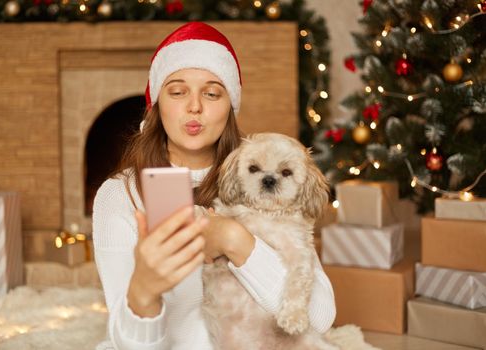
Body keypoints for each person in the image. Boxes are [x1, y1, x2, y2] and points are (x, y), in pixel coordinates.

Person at [92, 22, 336, 350]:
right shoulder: (120, 196)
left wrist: (235, 240)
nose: (195, 106)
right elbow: (131, 346)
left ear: (230, 107)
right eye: (177, 91)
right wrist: (143, 291)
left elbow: (319, 318)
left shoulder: (255, 183)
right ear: (157, 105)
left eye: (211, 92)